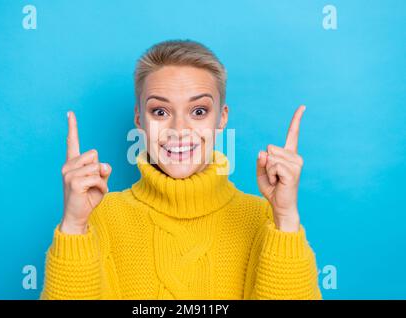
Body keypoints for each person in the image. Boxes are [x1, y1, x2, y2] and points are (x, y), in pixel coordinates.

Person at [40, 39, 322, 300]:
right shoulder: (98, 218)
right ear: (139, 119)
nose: (178, 131)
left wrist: (285, 219)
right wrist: (74, 226)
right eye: (160, 112)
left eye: (198, 111)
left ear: (221, 118)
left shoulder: (264, 219)